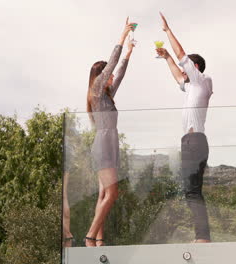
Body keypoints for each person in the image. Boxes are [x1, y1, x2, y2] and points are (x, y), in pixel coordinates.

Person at [156, 12, 213, 243]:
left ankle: (203, 237)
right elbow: (176, 75)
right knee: (191, 191)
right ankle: (202, 236)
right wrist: (167, 56)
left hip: (195, 141)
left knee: (191, 191)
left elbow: (182, 57)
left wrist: (168, 31)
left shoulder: (202, 80)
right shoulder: (191, 88)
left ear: (194, 67)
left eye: (186, 67)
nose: (183, 71)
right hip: (189, 142)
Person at [85, 17, 136, 247]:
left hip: (109, 144)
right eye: (107, 74)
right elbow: (112, 66)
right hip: (104, 145)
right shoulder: (96, 90)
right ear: (100, 76)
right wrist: (122, 35)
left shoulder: (106, 96)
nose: (111, 76)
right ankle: (90, 237)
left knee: (103, 194)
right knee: (113, 192)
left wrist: (129, 52)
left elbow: (120, 72)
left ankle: (98, 240)